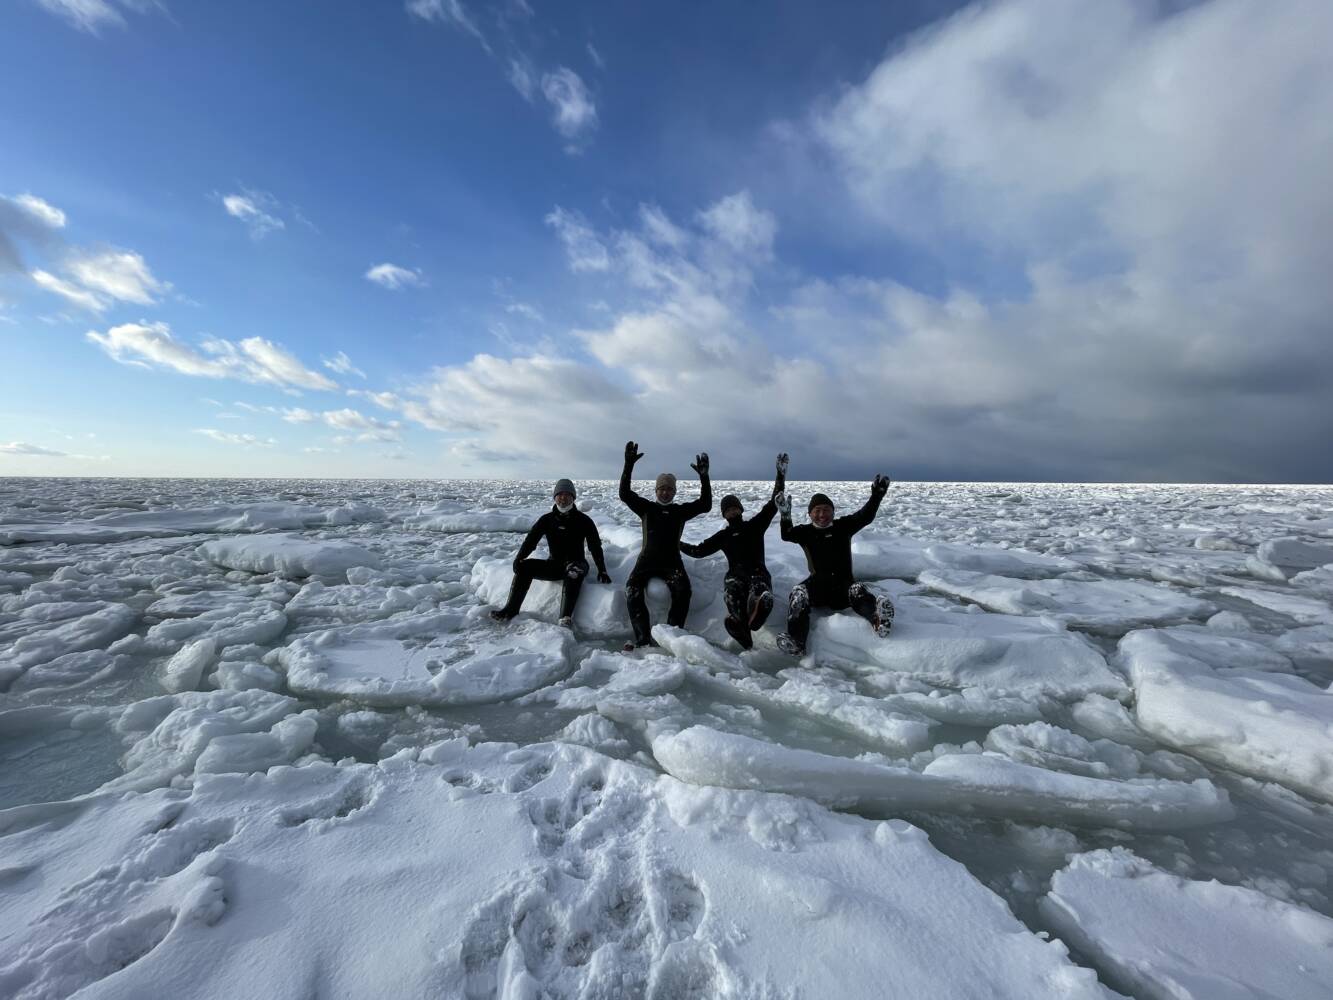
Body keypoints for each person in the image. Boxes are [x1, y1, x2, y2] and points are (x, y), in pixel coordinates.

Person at [776, 471, 894, 655]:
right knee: (798, 594)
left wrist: (877, 496)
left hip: (843, 586)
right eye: (817, 511)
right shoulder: (805, 532)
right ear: (810, 514)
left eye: (826, 510)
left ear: (833, 512)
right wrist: (785, 515)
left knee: (858, 591)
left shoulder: (843, 527)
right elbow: (786, 534)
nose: (822, 514)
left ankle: (878, 621)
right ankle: (797, 642)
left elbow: (865, 516)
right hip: (817, 586)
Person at [680, 453, 787, 649]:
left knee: (759, 587)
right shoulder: (723, 536)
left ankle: (759, 611)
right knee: (731, 589)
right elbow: (698, 551)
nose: (731, 512)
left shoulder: (755, 526)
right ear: (724, 514)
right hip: (736, 576)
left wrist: (780, 475)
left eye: (734, 508)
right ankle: (742, 627)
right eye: (727, 510)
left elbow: (773, 503)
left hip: (758, 572)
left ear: (741, 509)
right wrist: (676, 543)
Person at [619, 440, 711, 649]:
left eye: (669, 489)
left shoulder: (679, 512)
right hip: (646, 562)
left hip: (672, 563)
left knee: (684, 591)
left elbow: (705, 505)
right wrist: (629, 464)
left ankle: (671, 636)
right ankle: (643, 639)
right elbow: (624, 494)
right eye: (662, 488)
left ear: (674, 492)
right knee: (632, 590)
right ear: (656, 490)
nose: (665, 492)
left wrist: (704, 477)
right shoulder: (646, 509)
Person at [491, 478, 612, 628]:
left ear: (573, 498)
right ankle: (510, 610)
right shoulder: (546, 520)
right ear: (555, 497)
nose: (563, 497)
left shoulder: (583, 520)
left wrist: (602, 570)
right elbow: (530, 541)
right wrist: (519, 558)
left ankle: (565, 618)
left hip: (577, 563)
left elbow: (595, 546)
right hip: (554, 564)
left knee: (573, 571)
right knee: (524, 567)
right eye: (560, 494)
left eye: (567, 494)